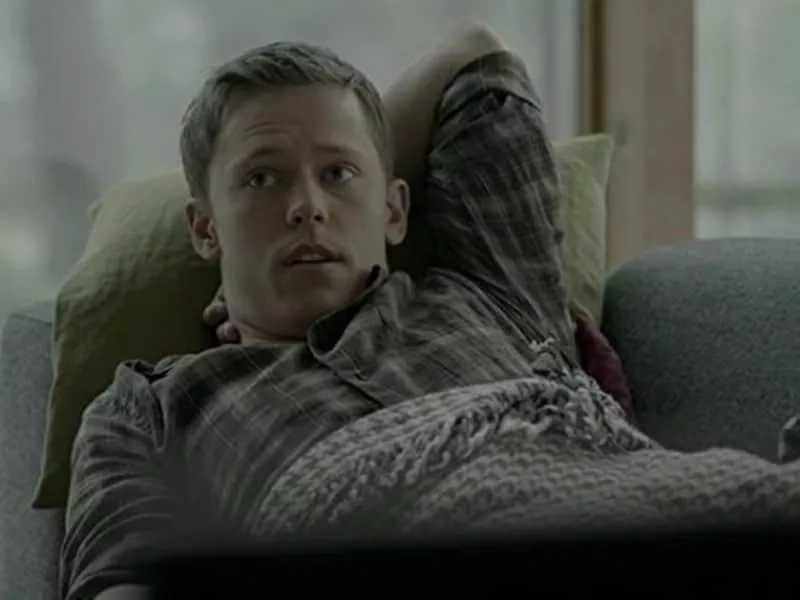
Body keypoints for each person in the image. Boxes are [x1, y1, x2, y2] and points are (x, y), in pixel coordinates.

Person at [60, 22, 610, 600]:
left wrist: (360, 150)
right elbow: (119, 581)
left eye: (336, 175)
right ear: (204, 228)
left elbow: (476, 54)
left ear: (395, 210)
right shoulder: (149, 410)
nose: (306, 207)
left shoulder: (493, 290)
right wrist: (346, 166)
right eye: (262, 178)